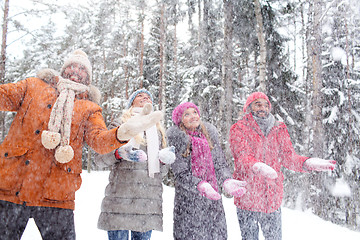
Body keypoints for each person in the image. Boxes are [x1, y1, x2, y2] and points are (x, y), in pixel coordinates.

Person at [0, 49, 162, 240]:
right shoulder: (33, 86)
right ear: (63, 69)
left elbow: (99, 141)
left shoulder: (90, 108)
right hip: (10, 188)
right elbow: (4, 96)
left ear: (88, 78)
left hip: (56, 196)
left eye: (82, 69)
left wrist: (122, 132)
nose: (76, 71)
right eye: (72, 66)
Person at [229, 91, 336, 240]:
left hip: (272, 199)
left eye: (266, 105)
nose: (262, 108)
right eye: (257, 104)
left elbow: (288, 157)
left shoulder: (279, 128)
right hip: (248, 199)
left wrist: (306, 162)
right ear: (249, 107)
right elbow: (242, 157)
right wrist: (257, 166)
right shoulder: (239, 128)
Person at [95, 89, 176, 240]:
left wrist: (164, 161)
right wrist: (120, 153)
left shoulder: (158, 130)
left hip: (147, 204)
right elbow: (99, 158)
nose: (145, 98)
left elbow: (160, 173)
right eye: (140, 96)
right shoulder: (120, 124)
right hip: (120, 202)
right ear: (131, 102)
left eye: (148, 97)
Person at [166, 102, 247, 240]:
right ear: (180, 120)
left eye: (194, 112)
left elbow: (220, 164)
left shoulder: (209, 137)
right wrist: (201, 185)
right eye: (187, 114)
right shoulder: (177, 140)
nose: (193, 116)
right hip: (188, 204)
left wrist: (226, 180)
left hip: (213, 202)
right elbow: (180, 174)